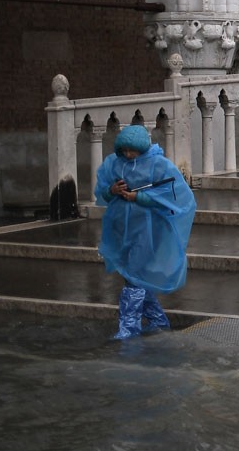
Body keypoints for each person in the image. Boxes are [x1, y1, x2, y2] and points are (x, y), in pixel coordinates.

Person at [94, 124, 196, 340]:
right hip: (121, 229)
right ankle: (158, 320)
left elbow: (175, 197)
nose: (129, 155)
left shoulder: (159, 165)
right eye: (125, 150)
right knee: (134, 276)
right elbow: (102, 192)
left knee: (134, 277)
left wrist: (138, 197)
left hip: (148, 231)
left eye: (133, 151)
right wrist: (113, 190)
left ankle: (128, 328)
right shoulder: (114, 163)